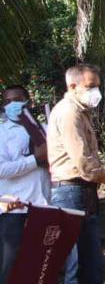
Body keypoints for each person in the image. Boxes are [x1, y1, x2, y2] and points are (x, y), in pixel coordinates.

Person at [48, 65, 105, 284]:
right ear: (72, 86)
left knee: (90, 263)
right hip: (71, 192)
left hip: (81, 191)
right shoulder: (69, 113)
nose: (96, 92)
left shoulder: (80, 111)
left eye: (97, 86)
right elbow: (86, 165)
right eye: (91, 86)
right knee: (81, 265)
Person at [0, 85, 51, 284]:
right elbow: (2, 170)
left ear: (28, 101)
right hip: (15, 209)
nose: (13, 104)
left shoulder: (44, 129)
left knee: (42, 266)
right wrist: (35, 160)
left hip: (44, 205)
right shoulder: (2, 133)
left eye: (18, 99)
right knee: (11, 266)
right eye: (8, 101)